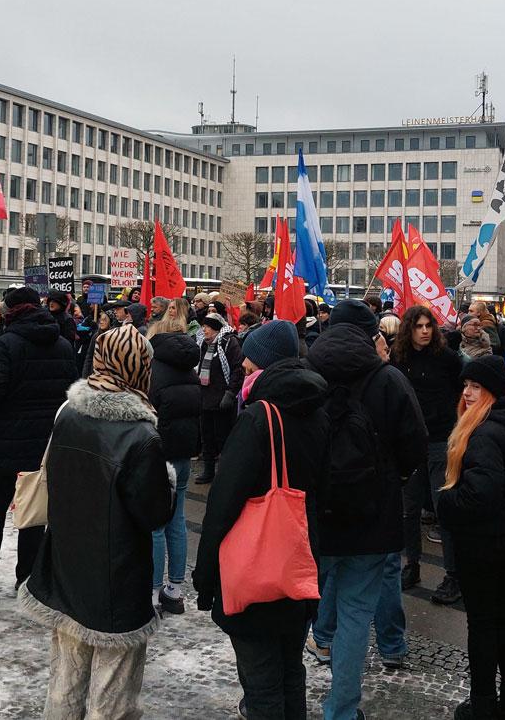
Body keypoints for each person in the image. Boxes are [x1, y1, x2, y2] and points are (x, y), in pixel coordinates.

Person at [19, 325, 175, 720]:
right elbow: (154, 513)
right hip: (117, 575)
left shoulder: (68, 413)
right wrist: (168, 481)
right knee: (113, 690)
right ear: (141, 368)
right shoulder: (142, 435)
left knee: (65, 676)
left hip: (66, 561)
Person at [194, 320, 329, 720]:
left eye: (250, 363)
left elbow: (222, 504)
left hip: (256, 572)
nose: (243, 369)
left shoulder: (259, 418)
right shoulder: (317, 410)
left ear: (266, 365)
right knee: (290, 670)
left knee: (262, 683)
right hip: (299, 564)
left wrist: (206, 575)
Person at [306, 299, 427, 720]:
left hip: (314, 515)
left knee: (300, 604)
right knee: (357, 614)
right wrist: (393, 475)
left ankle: (277, 694)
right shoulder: (389, 379)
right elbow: (415, 444)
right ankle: (341, 710)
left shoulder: (306, 373)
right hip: (372, 515)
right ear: (371, 334)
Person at [437, 354, 505, 720]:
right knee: (503, 618)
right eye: (466, 385)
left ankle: (483, 705)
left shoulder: (485, 433)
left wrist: (445, 501)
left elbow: (479, 496)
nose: (467, 393)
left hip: (483, 544)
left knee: (483, 624)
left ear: (493, 391)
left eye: (476, 386)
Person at [0, 285, 77, 602]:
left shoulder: (5, 343)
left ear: (11, 312)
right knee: (33, 514)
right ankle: (27, 580)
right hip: (44, 445)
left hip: (5, 442)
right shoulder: (63, 345)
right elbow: (71, 391)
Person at [392, 305, 464, 603]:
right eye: (418, 326)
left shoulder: (446, 358)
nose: (424, 331)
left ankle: (453, 574)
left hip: (440, 440)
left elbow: (463, 390)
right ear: (408, 329)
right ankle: (412, 564)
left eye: (428, 326)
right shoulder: (399, 357)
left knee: (442, 507)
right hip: (410, 442)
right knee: (408, 509)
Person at [147, 311, 202, 616]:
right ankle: (175, 590)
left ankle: (154, 593)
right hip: (183, 452)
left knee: (155, 524)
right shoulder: (189, 370)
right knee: (177, 520)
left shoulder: (153, 370)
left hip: (159, 453)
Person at [194, 312, 245, 484]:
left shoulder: (229, 342)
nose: (204, 330)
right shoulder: (203, 344)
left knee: (223, 437)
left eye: (207, 326)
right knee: (207, 437)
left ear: (216, 328)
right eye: (203, 326)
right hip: (205, 397)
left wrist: (230, 393)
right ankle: (208, 471)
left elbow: (238, 369)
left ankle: (225, 474)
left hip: (222, 398)